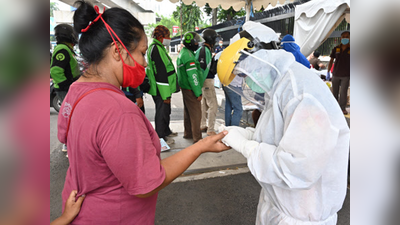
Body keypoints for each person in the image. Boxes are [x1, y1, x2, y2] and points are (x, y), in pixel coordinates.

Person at [57, 2, 230, 224]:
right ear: (117, 51)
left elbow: (67, 137)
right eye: (141, 52)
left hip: (81, 210)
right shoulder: (118, 111)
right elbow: (147, 183)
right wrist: (200, 147)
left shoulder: (76, 90)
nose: (144, 62)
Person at [218, 21, 350, 225]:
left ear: (259, 57)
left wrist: (247, 146)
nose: (246, 81)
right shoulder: (281, 85)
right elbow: (284, 137)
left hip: (303, 215)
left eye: (244, 73)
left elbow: (297, 169)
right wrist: (251, 135)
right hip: (282, 206)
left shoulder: (301, 93)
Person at [146, 25, 179, 145]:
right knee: (161, 113)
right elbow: (160, 73)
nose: (169, 38)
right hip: (161, 89)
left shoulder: (159, 47)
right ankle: (160, 138)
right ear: (160, 37)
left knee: (166, 111)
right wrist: (165, 95)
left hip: (163, 88)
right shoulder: (155, 49)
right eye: (167, 36)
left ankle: (166, 131)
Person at [176, 31, 205, 143]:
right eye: (196, 42)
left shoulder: (184, 53)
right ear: (191, 43)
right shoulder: (188, 57)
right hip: (191, 89)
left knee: (188, 112)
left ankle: (188, 133)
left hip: (185, 88)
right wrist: (198, 93)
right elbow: (193, 77)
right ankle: (197, 139)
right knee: (196, 114)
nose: (198, 44)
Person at [196, 29, 219, 136]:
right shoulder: (204, 50)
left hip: (204, 81)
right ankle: (210, 129)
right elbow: (202, 68)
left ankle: (202, 125)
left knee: (204, 105)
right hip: (207, 80)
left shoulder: (203, 49)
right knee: (213, 105)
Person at [50, 23, 80, 103]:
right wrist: (66, 86)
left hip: (70, 86)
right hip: (65, 89)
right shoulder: (62, 50)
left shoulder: (66, 48)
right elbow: (55, 70)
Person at [328, 31, 350, 115]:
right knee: (335, 91)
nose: (345, 38)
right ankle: (333, 107)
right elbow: (331, 60)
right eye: (343, 36)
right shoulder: (336, 48)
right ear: (341, 38)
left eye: (347, 36)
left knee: (343, 92)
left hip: (346, 74)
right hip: (336, 73)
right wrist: (328, 71)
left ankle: (342, 108)